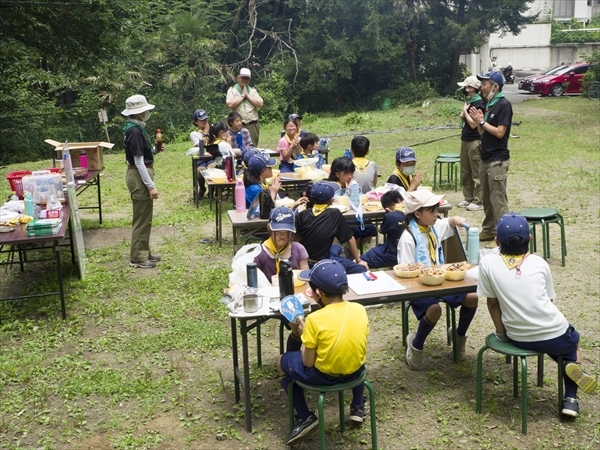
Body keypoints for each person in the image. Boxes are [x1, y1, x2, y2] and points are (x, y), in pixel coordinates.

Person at [478, 213, 597, 417]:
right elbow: (549, 301)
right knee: (571, 346)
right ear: (530, 240)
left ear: (497, 241)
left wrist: (502, 333)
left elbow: (492, 304)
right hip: (554, 332)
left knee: (547, 344)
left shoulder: (487, 264)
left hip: (519, 336)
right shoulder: (539, 263)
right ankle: (570, 399)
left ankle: (569, 367)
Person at [277, 259, 369, 445]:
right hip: (356, 373)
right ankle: (358, 406)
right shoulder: (360, 310)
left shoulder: (315, 320)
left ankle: (304, 416)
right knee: (351, 353)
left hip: (325, 377)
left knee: (281, 361)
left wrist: (304, 336)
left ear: (318, 293)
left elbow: (308, 363)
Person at [397, 190, 479, 369]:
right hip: (418, 285)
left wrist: (456, 219)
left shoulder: (433, 226)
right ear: (418, 214)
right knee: (434, 309)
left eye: (437, 210)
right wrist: (425, 276)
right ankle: (416, 346)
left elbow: (448, 222)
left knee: (472, 297)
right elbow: (405, 271)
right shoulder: (408, 238)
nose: (437, 215)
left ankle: (458, 336)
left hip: (441, 280)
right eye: (432, 211)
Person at [254, 206, 309, 352]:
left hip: (296, 297)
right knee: (299, 324)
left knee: (307, 323)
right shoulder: (261, 252)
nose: (282, 236)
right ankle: (294, 359)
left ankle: (296, 357)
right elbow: (254, 282)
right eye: (278, 232)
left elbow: (305, 275)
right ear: (269, 229)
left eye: (287, 233)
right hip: (270, 300)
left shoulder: (298, 249)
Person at [468, 71, 512, 241]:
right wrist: (479, 121)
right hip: (485, 158)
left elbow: (500, 133)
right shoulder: (490, 104)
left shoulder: (504, 105)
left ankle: (504, 237)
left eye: (484, 84)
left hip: (497, 160)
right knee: (486, 199)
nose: (482, 88)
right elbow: (483, 130)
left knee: (498, 200)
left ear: (495, 86)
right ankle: (488, 230)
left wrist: (481, 121)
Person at [122, 94, 161, 269]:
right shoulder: (134, 131)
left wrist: (155, 150)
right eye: (145, 110)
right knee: (142, 218)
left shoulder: (135, 128)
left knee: (146, 216)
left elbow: (143, 154)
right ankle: (137, 257)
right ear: (138, 113)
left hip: (139, 174)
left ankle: (144, 251)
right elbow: (138, 162)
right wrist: (151, 186)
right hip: (139, 177)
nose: (147, 112)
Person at [296, 181, 369, 274]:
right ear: (331, 200)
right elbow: (350, 238)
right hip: (322, 261)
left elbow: (297, 237)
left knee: (336, 248)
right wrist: (359, 260)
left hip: (304, 260)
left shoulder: (302, 214)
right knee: (361, 270)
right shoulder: (334, 214)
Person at [328, 156, 377, 248]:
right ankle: (352, 253)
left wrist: (355, 190)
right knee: (355, 232)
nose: (350, 176)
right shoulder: (334, 186)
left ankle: (354, 250)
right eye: (346, 174)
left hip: (352, 215)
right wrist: (348, 191)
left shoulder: (348, 184)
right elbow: (337, 204)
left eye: (351, 173)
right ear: (337, 174)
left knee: (371, 228)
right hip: (338, 219)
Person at [457, 76, 486, 211]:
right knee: (465, 171)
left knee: (476, 172)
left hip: (475, 140)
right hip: (465, 139)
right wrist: (465, 113)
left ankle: (478, 200)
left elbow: (474, 124)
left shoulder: (479, 103)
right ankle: (468, 198)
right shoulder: (470, 102)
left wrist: (465, 112)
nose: (465, 89)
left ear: (472, 88)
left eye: (466, 87)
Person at [360, 190, 406, 269]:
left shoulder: (390, 216)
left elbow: (381, 230)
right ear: (400, 200)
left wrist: (388, 215)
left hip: (393, 253)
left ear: (387, 209)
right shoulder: (413, 210)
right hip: (411, 251)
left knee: (361, 261)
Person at [226, 67, 263, 146]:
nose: (245, 80)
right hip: (238, 125)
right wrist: (242, 96)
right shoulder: (232, 90)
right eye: (243, 78)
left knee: (253, 148)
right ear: (238, 78)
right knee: (238, 147)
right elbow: (230, 104)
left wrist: (248, 96)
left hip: (253, 124)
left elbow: (260, 104)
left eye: (247, 79)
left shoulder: (252, 90)